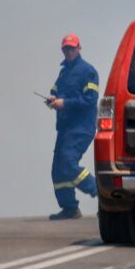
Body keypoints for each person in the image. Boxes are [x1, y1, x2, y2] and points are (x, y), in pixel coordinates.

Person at [45, 34, 99, 220]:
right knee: (58, 169)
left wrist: (64, 103)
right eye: (66, 49)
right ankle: (69, 208)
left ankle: (102, 195)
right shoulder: (63, 72)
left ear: (79, 48)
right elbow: (55, 89)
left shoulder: (88, 71)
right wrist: (52, 98)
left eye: (72, 48)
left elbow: (91, 98)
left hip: (81, 127)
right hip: (65, 127)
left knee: (68, 163)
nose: (68, 51)